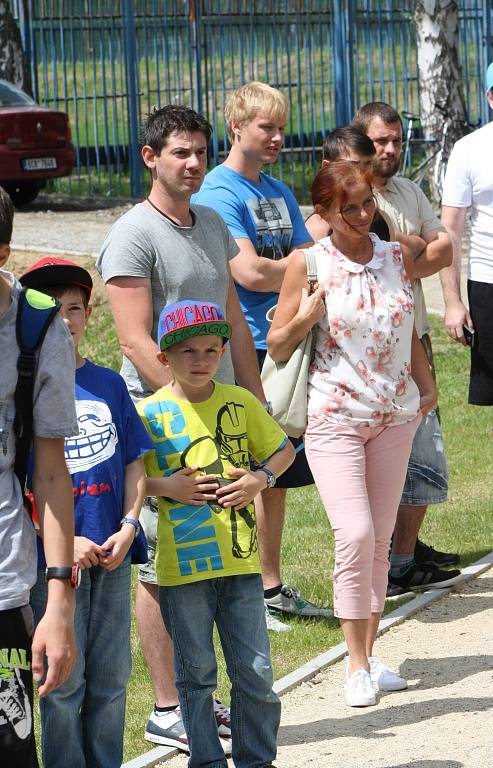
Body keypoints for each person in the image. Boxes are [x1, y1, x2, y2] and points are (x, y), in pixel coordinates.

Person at [97, 104, 262, 748]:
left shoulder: (214, 224)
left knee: (207, 547)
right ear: (150, 158)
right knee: (158, 562)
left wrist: (248, 397)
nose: (192, 163)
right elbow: (138, 341)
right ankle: (169, 705)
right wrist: (182, 406)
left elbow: (232, 320)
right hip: (157, 416)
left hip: (214, 407)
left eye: (199, 152)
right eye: (178, 154)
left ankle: (202, 697)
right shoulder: (132, 234)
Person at [267, 161, 437, 706]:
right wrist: (306, 314)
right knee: (357, 534)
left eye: (368, 204)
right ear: (325, 212)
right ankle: (354, 665)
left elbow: (407, 325)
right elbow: (276, 345)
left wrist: (426, 386)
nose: (364, 215)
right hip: (335, 418)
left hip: (394, 416)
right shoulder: (308, 264)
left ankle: (371, 651)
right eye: (351, 208)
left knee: (381, 542)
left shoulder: (394, 256)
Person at [193, 81, 333, 625]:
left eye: (280, 127)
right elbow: (247, 271)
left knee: (277, 468)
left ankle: (270, 586)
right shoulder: (218, 192)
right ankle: (247, 592)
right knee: (244, 466)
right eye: (265, 127)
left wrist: (293, 273)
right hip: (245, 343)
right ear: (237, 129)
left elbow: (309, 256)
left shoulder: (274, 189)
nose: (276, 137)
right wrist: (296, 274)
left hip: (287, 339)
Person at [137, 298, 295, 767]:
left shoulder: (240, 401)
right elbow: (130, 479)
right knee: (197, 674)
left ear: (224, 352)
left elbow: (283, 451)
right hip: (181, 570)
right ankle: (205, 760)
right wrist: (166, 486)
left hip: (241, 564)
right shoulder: (148, 413)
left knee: (256, 672)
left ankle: (257, 760)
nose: (201, 360)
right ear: (164, 357)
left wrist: (259, 479)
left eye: (211, 350)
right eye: (187, 352)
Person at [20, 256, 153, 768]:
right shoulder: (24, 392)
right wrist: (60, 543)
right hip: (56, 562)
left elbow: (133, 464)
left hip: (113, 553)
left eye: (74, 308)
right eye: (51, 310)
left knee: (113, 676)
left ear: (88, 314)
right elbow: (25, 483)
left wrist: (129, 524)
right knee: (62, 682)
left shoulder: (109, 385)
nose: (65, 319)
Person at [352, 101, 461, 595]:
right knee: (390, 455)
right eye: (380, 141)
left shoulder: (408, 190)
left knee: (422, 449)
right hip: (374, 350)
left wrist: (406, 252)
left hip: (414, 336)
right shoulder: (354, 197)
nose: (391, 149)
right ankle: (389, 562)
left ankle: (404, 553)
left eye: (397, 140)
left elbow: (445, 249)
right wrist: (412, 247)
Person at [0, 187, 77, 767]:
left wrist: (56, 606)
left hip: (5, 586)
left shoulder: (37, 327)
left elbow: (52, 474)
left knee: (12, 748)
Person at [440, 55, 493, 544]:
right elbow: (450, 230)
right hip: (492, 285)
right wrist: (452, 301)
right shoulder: (469, 150)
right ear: (488, 98)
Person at [306, 125, 391, 242]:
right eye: (353, 166)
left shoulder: (380, 221)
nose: (363, 173)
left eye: (368, 164)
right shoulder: (317, 231)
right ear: (327, 166)